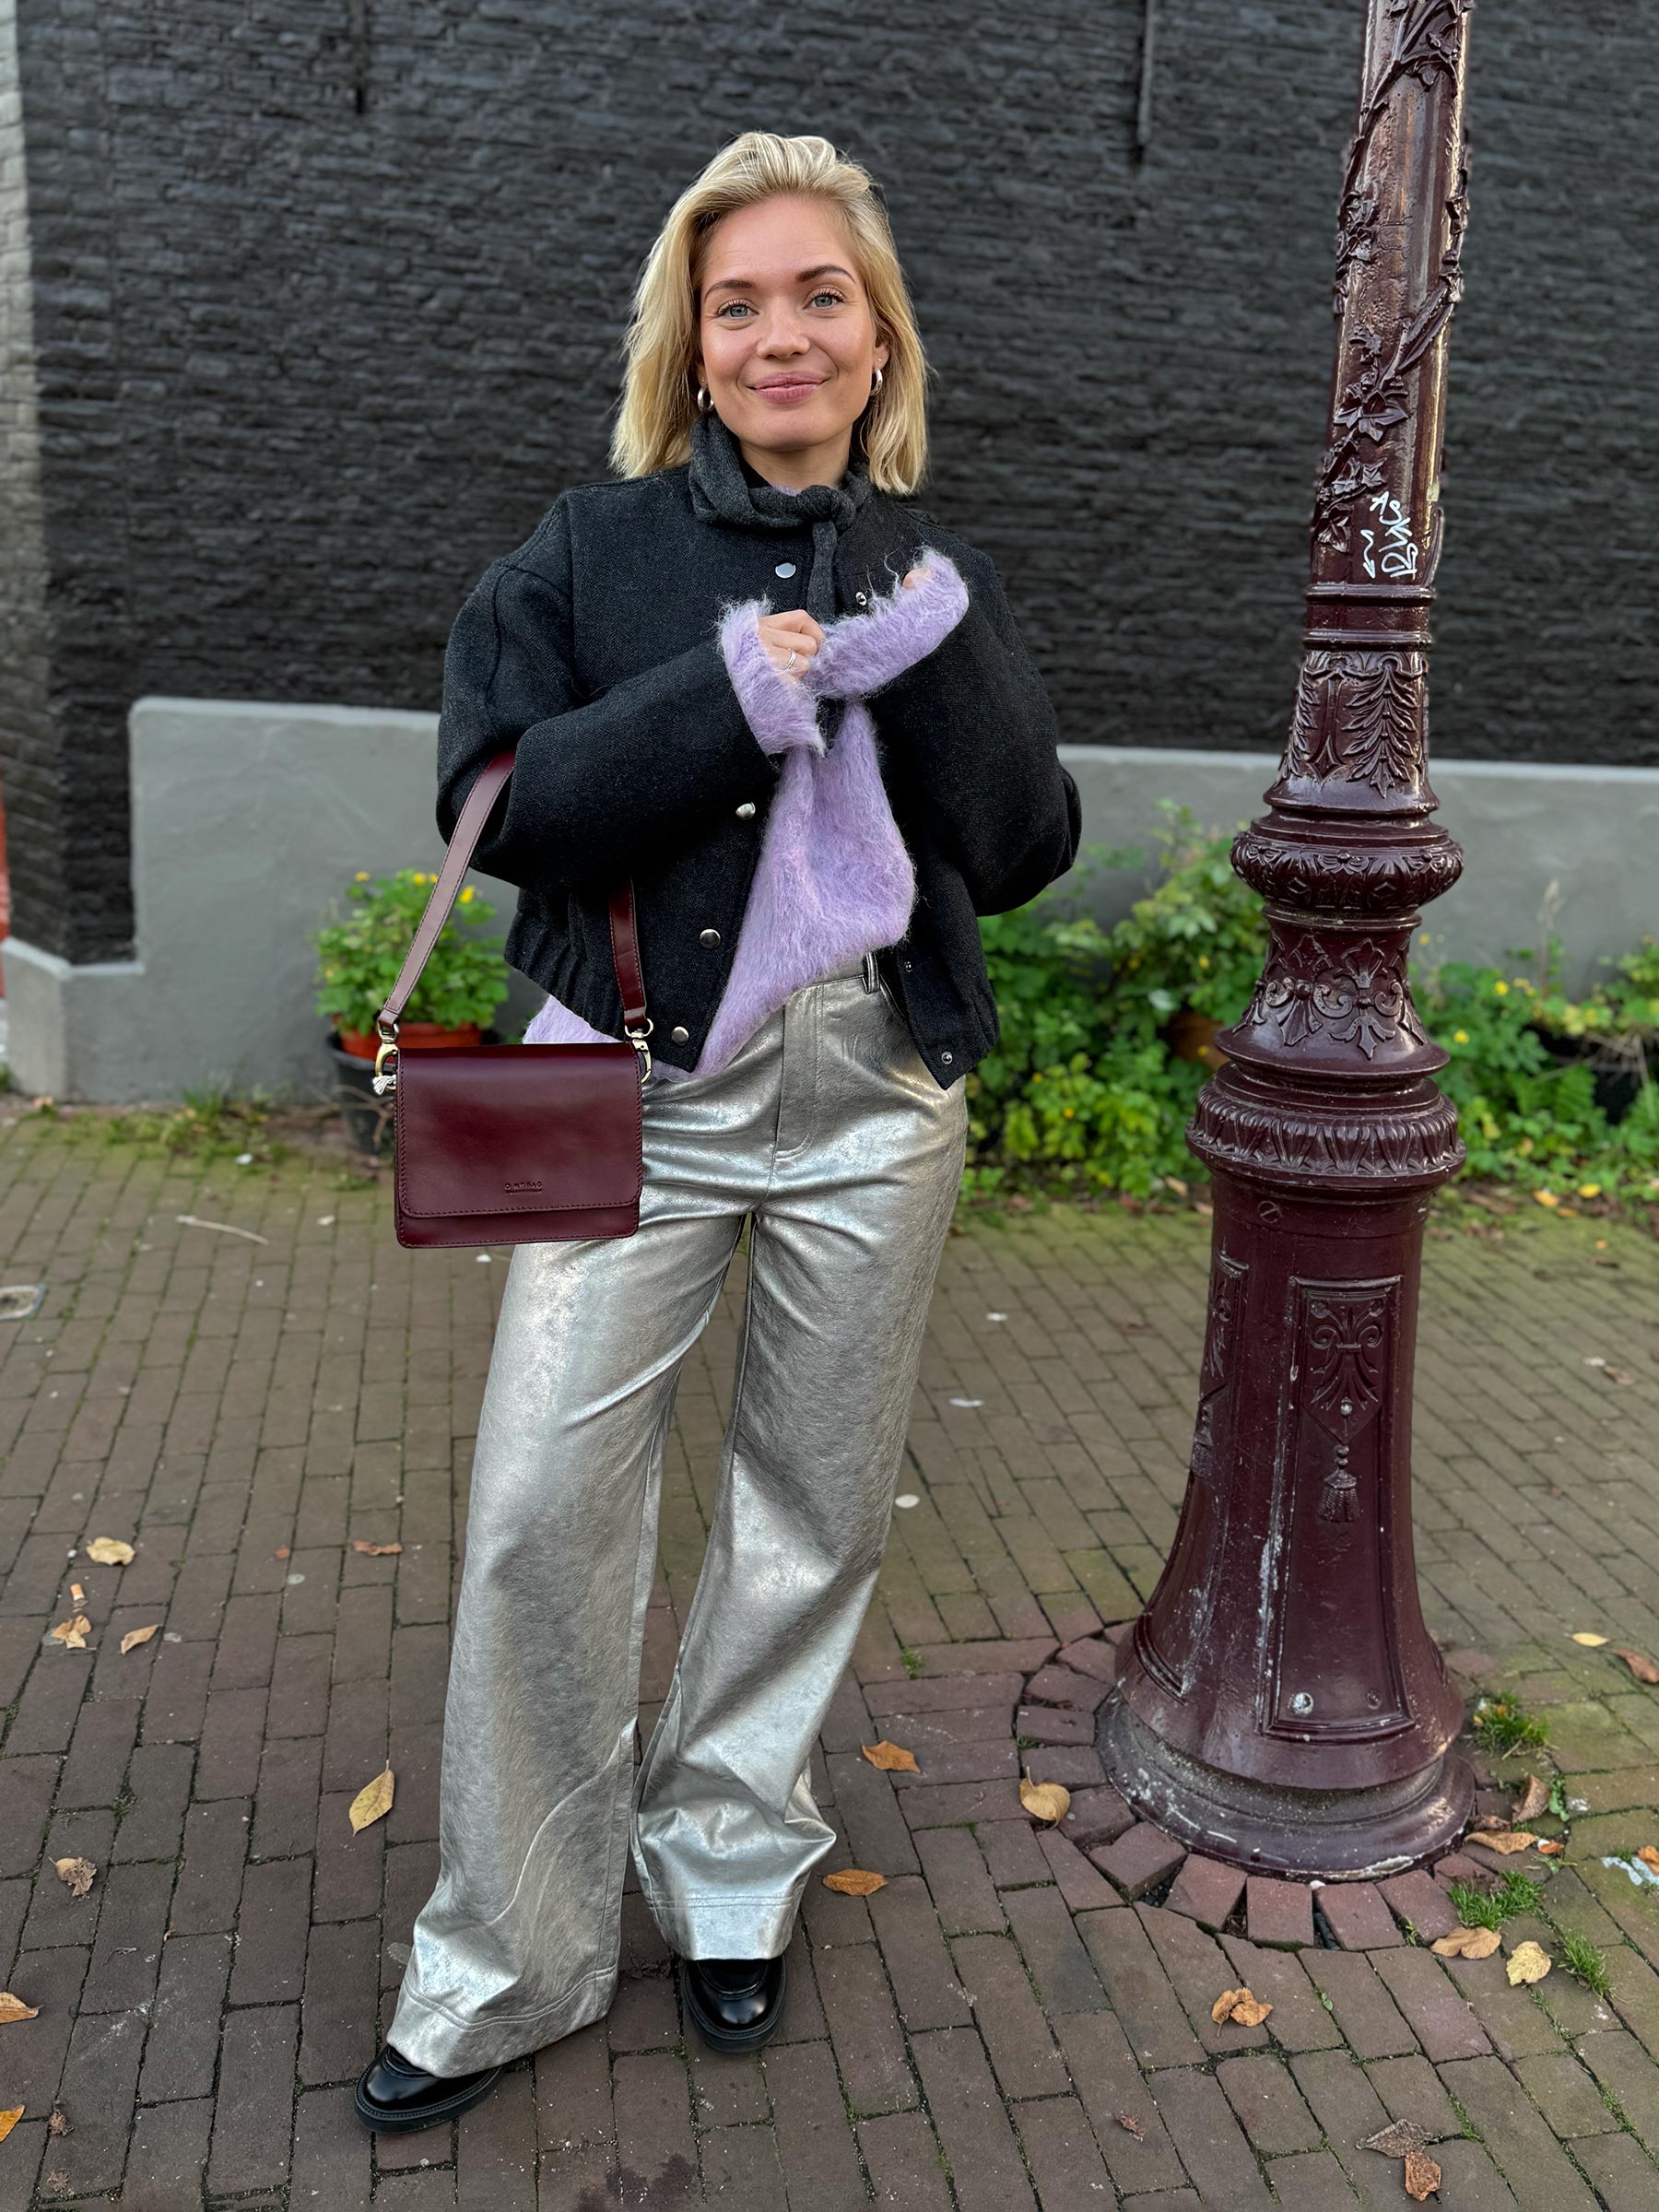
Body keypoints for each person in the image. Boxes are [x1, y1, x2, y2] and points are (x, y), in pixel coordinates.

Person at [356, 126, 1080, 2134]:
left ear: (878, 339)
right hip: (631, 1081)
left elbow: (1023, 845)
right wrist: (727, 693)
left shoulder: (932, 567)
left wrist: (927, 643)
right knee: (540, 1512)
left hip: (876, 1094)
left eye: (820, 297)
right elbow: (498, 799)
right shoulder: (588, 551)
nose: (781, 334)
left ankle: (730, 1865)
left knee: (811, 1507)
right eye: (737, 302)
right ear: (690, 343)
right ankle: (507, 1958)